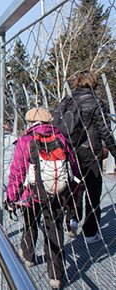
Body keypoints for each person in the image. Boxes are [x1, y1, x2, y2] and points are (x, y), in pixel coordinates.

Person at [4, 108, 79, 289]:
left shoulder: (25, 140)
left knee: (30, 223)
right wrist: (72, 195)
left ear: (30, 123)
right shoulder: (61, 138)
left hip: (33, 195)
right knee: (54, 231)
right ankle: (55, 276)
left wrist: (11, 198)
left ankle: (29, 257)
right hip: (57, 194)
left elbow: (17, 172)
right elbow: (73, 168)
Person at [63, 71, 116, 244]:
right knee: (93, 191)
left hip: (71, 151)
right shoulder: (96, 102)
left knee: (75, 186)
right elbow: (105, 131)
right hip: (91, 153)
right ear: (94, 84)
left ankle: (72, 219)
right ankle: (90, 233)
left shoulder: (68, 101)